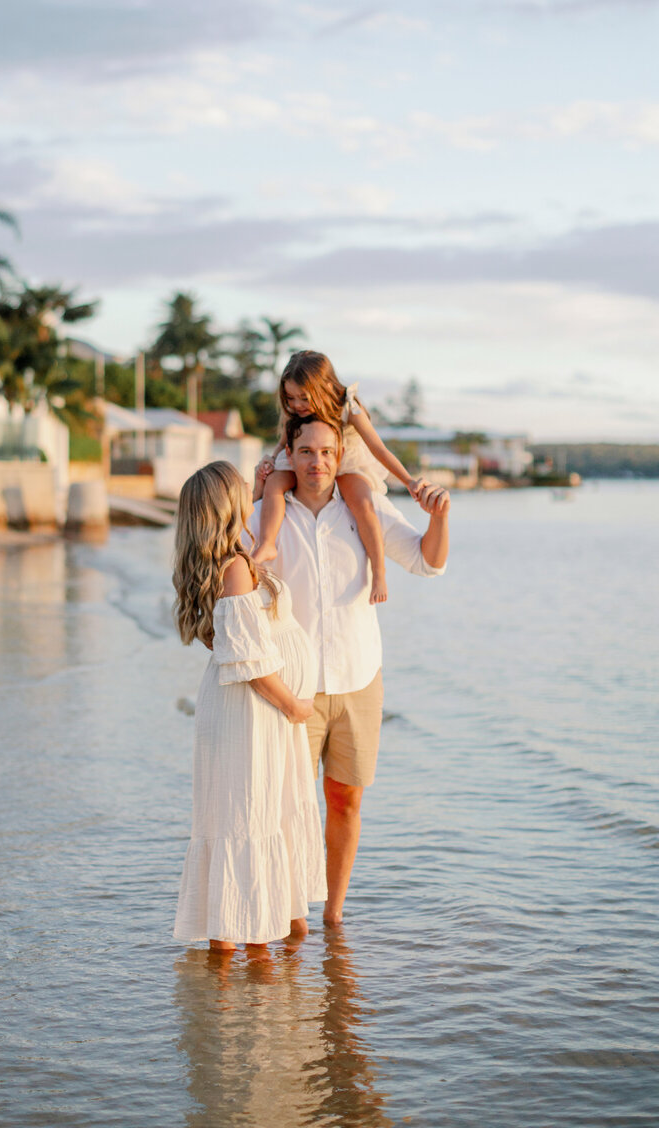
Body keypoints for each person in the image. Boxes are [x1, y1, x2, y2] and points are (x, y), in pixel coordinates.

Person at [251, 414, 450, 926]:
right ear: (289, 454)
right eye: (305, 451)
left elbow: (428, 562)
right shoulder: (266, 515)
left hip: (359, 679)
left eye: (327, 452)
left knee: (345, 801)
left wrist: (439, 517)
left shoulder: (366, 509)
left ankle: (333, 917)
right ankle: (293, 916)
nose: (316, 462)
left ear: (339, 455)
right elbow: (232, 578)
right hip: (292, 688)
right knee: (287, 808)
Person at [172, 460, 327, 953]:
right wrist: (295, 706)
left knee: (250, 819)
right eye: (238, 484)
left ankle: (240, 971)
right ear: (225, 505)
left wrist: (262, 487)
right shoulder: (235, 570)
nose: (248, 485)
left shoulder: (229, 560)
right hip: (254, 710)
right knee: (247, 821)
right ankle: (246, 973)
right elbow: (252, 663)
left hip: (255, 711)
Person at [252, 350, 426, 605]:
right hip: (309, 457)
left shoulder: (348, 407)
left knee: (362, 503)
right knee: (275, 483)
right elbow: (282, 444)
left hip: (346, 460)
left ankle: (379, 571)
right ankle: (267, 543)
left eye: (304, 398)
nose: (297, 404)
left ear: (324, 388)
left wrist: (408, 481)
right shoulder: (296, 413)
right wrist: (270, 458)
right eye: (290, 398)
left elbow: (378, 448)